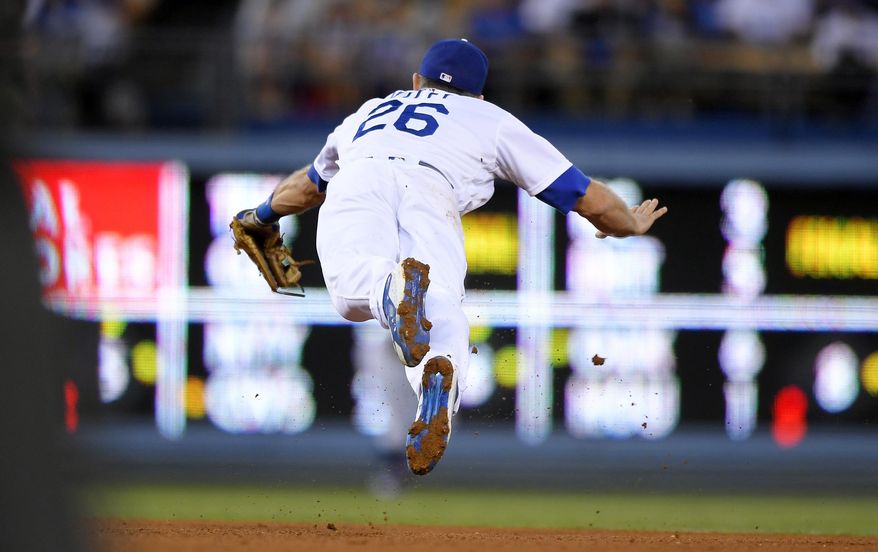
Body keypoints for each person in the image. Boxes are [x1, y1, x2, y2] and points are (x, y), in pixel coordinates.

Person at [234, 38, 668, 475]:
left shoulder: (369, 111)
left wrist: (261, 214)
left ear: (416, 81)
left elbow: (308, 186)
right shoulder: (490, 118)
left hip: (358, 181)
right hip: (432, 193)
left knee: (350, 299)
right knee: (442, 308)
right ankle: (434, 380)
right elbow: (583, 194)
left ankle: (390, 292)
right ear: (478, 94)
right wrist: (626, 223)